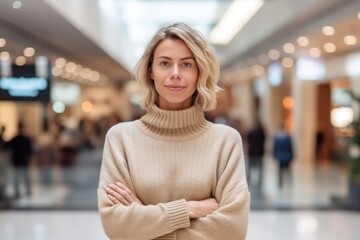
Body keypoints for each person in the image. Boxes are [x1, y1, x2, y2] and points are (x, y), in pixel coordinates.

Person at [97, 23, 250, 240]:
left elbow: (233, 231)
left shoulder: (225, 141)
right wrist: (187, 209)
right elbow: (117, 227)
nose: (175, 73)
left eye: (187, 64)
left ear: (199, 72)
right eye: (165, 63)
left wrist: (145, 221)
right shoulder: (120, 138)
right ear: (151, 71)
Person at [7, 122, 33, 198]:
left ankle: (26, 190)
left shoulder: (23, 139)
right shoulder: (19, 139)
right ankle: (20, 191)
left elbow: (30, 151)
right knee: (20, 177)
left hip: (21, 161)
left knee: (24, 177)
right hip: (19, 162)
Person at [246, 118, 266, 189]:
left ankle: (249, 180)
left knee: (250, 167)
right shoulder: (261, 132)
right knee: (259, 167)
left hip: (252, 151)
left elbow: (247, 139)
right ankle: (259, 181)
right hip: (259, 152)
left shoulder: (251, 131)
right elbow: (264, 139)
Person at [272, 124, 294, 188]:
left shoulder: (277, 137)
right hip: (287, 156)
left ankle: (280, 183)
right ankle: (288, 182)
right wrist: (292, 156)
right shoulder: (287, 137)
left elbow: (275, 148)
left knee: (280, 171)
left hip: (280, 156)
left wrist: (274, 155)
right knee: (287, 171)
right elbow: (291, 147)